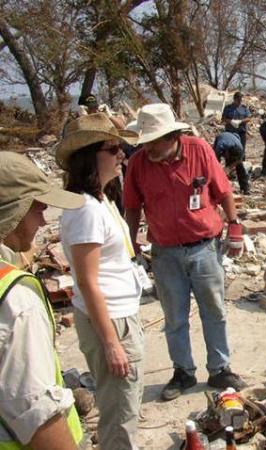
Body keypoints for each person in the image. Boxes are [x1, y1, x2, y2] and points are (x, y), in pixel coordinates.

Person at [123, 104, 246, 401]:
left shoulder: (199, 150)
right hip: (165, 253)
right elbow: (131, 205)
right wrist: (131, 243)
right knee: (174, 317)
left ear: (172, 135)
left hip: (204, 248)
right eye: (146, 141)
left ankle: (219, 369)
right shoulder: (139, 163)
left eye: (155, 140)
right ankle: (183, 372)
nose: (149, 147)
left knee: (214, 311)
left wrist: (235, 227)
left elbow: (223, 190)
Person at [56, 113, 144, 450]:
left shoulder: (100, 200)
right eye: (114, 149)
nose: (122, 154)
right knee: (120, 412)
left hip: (118, 315)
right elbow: (88, 281)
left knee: (126, 406)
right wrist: (111, 342)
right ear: (91, 156)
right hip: (110, 321)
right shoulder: (85, 210)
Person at [0, 152, 85, 450]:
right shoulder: (16, 298)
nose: (44, 214)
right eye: (36, 205)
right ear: (14, 211)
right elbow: (36, 413)